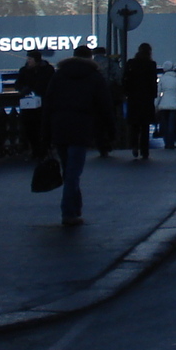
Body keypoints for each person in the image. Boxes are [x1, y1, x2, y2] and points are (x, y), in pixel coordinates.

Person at [43, 45, 107, 227]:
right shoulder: (95, 77)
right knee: (73, 173)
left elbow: (48, 104)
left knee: (68, 171)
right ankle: (68, 212)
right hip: (81, 128)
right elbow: (104, 104)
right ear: (90, 58)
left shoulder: (59, 76)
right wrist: (108, 129)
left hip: (60, 128)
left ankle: (75, 208)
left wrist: (45, 133)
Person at [14, 48, 54, 158]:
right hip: (29, 105)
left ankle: (43, 149)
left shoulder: (47, 70)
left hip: (43, 104)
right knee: (30, 127)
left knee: (42, 127)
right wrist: (24, 89)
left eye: (30, 59)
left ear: (36, 60)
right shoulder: (24, 70)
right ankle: (36, 149)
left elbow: (51, 85)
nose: (28, 61)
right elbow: (17, 84)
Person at [123, 43, 160, 158]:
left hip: (134, 99)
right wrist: (153, 96)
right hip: (146, 100)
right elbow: (153, 83)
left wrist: (127, 93)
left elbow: (125, 80)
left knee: (134, 125)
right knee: (145, 126)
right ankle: (145, 150)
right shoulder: (151, 64)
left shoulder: (131, 63)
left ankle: (134, 146)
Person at [155, 61, 176, 150]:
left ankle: (167, 143)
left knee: (165, 125)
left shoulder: (162, 79)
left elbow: (158, 94)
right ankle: (172, 142)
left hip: (163, 105)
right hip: (174, 105)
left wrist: (156, 105)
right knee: (172, 124)